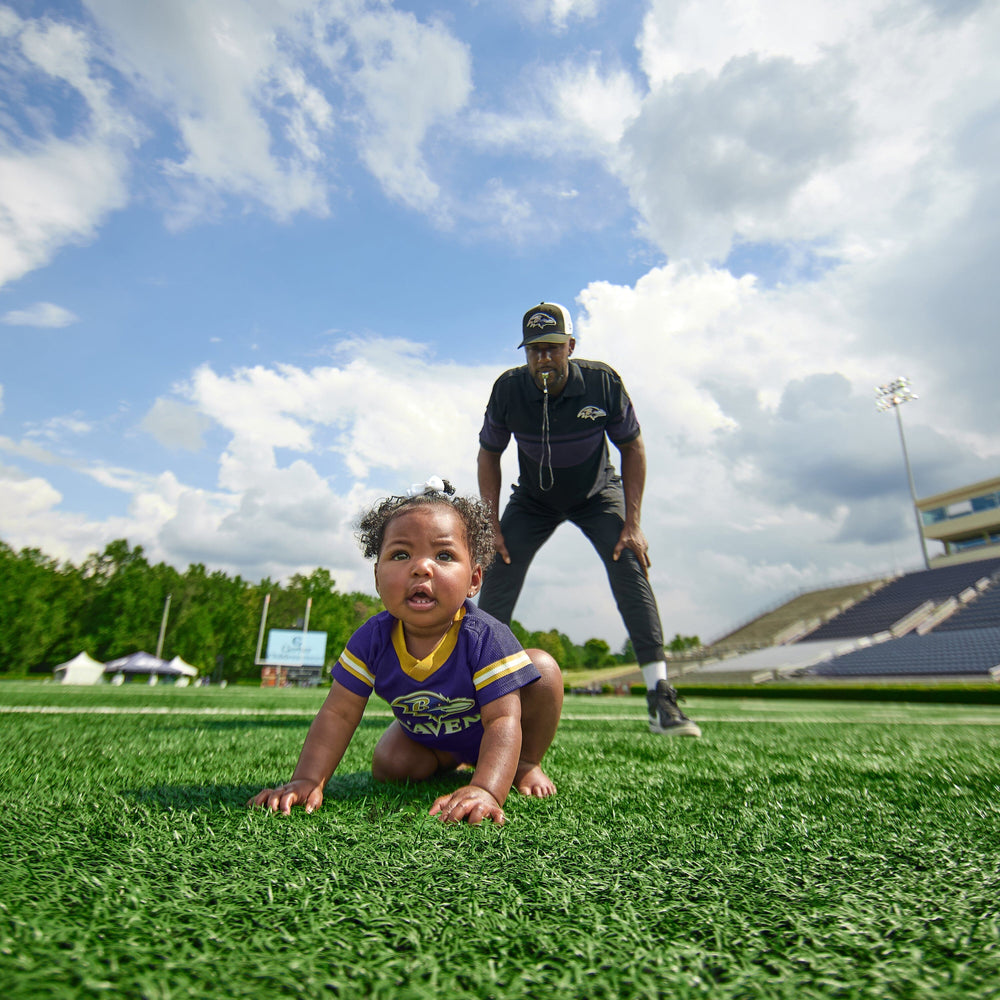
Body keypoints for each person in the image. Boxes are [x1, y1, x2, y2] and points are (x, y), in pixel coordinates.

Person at [249, 477, 563, 826]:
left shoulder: (486, 636)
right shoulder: (371, 639)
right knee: (391, 766)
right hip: (433, 739)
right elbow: (338, 713)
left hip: (496, 734)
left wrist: (486, 789)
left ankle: (524, 762)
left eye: (444, 555)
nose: (421, 567)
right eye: (401, 554)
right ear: (377, 577)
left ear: (474, 580)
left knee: (543, 669)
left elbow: (502, 720)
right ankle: (450, 761)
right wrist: (307, 779)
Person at [477, 302, 701, 738]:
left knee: (629, 562)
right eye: (535, 349)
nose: (543, 358)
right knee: (497, 568)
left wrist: (632, 523)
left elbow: (632, 447)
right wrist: (491, 526)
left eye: (552, 347)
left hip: (596, 494)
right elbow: (489, 454)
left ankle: (660, 698)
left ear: (571, 346)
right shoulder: (508, 390)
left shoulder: (602, 382)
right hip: (534, 499)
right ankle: (478, 694)